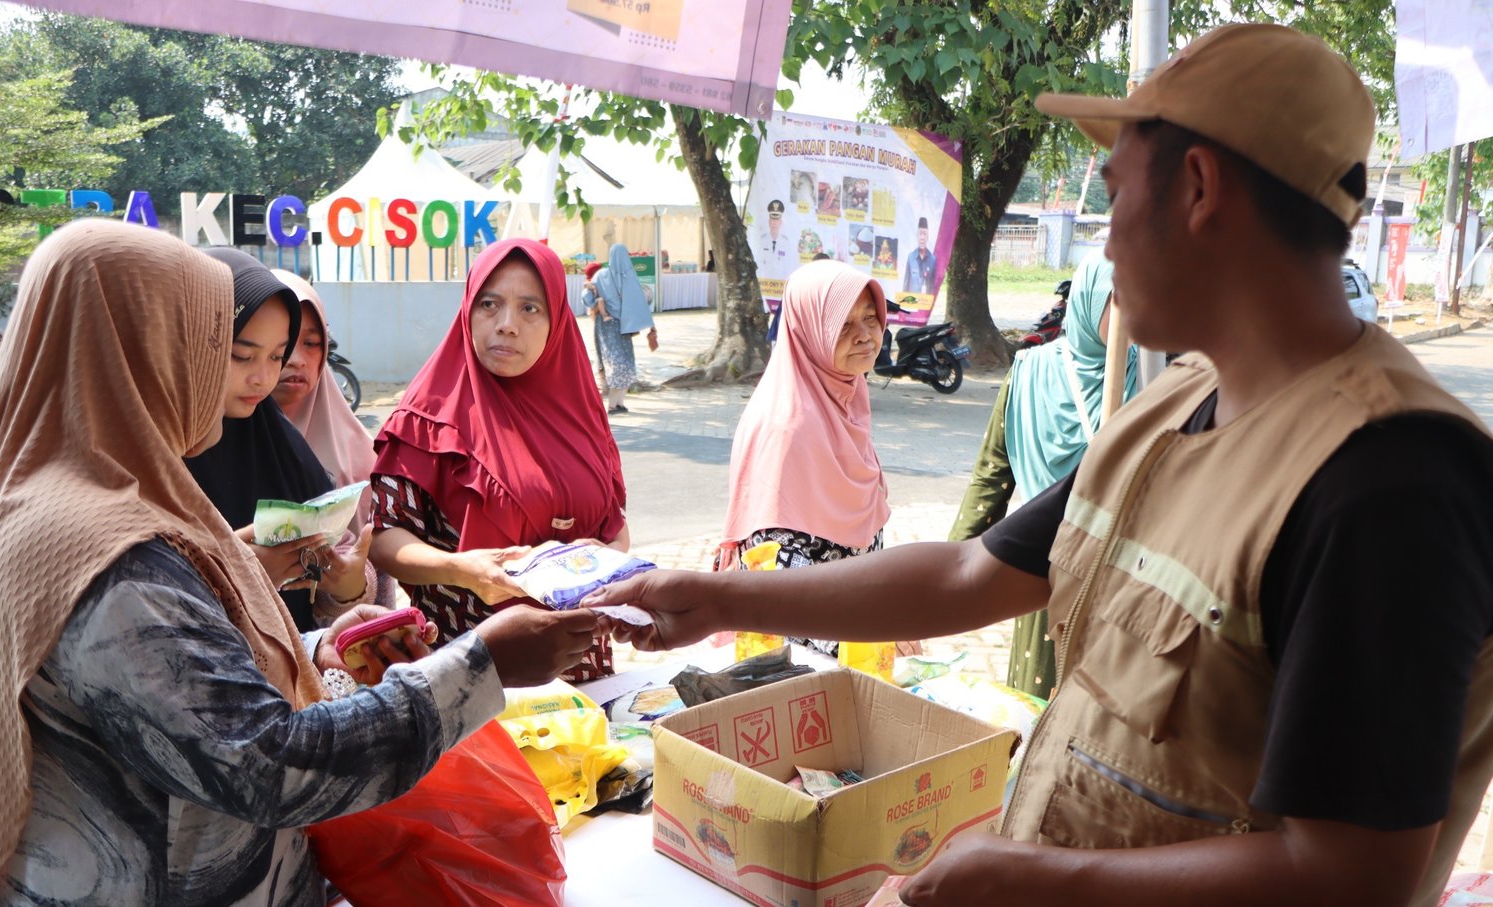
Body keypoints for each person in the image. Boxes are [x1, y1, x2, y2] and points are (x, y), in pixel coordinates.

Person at [587, 24, 1493, 907]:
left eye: (1112, 193)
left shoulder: (1391, 482)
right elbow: (972, 571)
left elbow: (1348, 875)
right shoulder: (1177, 400)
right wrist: (723, 599)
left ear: (1199, 186)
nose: (1102, 241)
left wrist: (1044, 879)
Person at [0, 219, 604, 906]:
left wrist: (314, 646)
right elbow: (267, 762)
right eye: (211, 346)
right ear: (133, 354)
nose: (246, 377)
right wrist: (482, 668)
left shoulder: (80, 497)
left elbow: (183, 690)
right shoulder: (109, 557)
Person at [370, 238, 631, 682]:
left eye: (530, 309)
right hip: (470, 672)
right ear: (468, 310)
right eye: (490, 304)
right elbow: (384, 538)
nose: (507, 324)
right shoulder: (428, 417)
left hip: (582, 671)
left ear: (557, 322)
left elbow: (615, 525)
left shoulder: (582, 413)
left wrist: (606, 557)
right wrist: (461, 569)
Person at [948, 252, 1134, 699]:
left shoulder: (1156, 380)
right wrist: (949, 574)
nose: (1138, 313)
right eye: (1122, 300)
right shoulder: (1029, 375)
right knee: (1038, 717)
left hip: (1126, 588)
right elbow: (990, 482)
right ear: (1090, 301)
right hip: (1044, 582)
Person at [184, 249, 373, 632]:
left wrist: (348, 587)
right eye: (241, 356)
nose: (264, 378)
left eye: (275, 356)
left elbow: (327, 576)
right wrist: (235, 573)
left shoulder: (274, 439)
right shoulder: (147, 461)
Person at [720, 261, 888, 657]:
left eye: (870, 318)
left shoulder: (846, 400)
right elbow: (776, 580)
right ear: (810, 332)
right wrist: (858, 646)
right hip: (808, 655)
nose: (865, 336)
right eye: (843, 326)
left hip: (857, 631)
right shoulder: (788, 428)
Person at [268, 268, 397, 606]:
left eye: (311, 343)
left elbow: (377, 584)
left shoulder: (360, 456)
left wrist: (349, 587)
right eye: (280, 344)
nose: (296, 360)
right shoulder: (208, 446)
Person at [593, 242, 657, 414]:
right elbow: (640, 303)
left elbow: (588, 296)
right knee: (620, 363)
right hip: (619, 326)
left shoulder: (601, 275)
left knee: (621, 362)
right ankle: (613, 405)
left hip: (608, 327)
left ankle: (619, 403)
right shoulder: (628, 277)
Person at [580, 261, 608, 388]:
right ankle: (603, 381)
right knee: (601, 351)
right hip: (600, 324)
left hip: (610, 323)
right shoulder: (587, 291)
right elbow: (593, 308)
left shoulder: (604, 286)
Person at [903, 216, 938, 295]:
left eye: (924, 234)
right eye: (920, 233)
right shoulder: (911, 257)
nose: (922, 237)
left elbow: (933, 286)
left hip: (925, 305)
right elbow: (906, 284)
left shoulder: (933, 259)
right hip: (911, 303)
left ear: (927, 236)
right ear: (917, 236)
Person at [755, 199, 791, 266]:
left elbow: (788, 264)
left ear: (780, 223)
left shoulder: (786, 243)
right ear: (769, 222)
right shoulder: (762, 241)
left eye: (777, 220)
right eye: (772, 220)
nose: (774, 223)